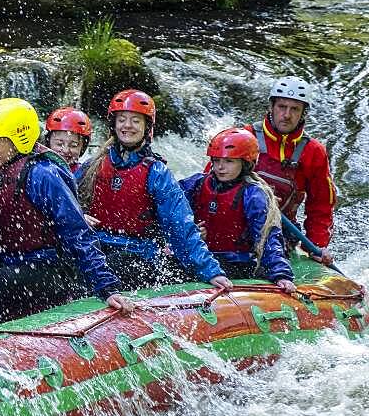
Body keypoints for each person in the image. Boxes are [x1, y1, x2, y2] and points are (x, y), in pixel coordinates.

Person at [0, 97, 134, 319]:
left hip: (51, 268)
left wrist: (107, 287)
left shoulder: (43, 175)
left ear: (18, 140)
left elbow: (78, 233)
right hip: (11, 262)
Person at [75, 89, 232, 292]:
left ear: (147, 127)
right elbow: (64, 205)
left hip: (139, 254)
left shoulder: (157, 172)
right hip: (97, 247)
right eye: (122, 119)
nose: (127, 126)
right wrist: (80, 215)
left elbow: (181, 226)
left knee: (115, 265)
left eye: (135, 121)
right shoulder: (93, 165)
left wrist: (210, 271)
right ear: (113, 125)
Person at [180, 128, 295, 292]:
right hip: (201, 256)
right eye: (217, 160)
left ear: (246, 163)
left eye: (229, 161)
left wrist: (281, 274)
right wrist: (189, 231)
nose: (220, 167)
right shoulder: (196, 183)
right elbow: (170, 212)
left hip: (237, 263)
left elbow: (268, 238)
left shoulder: (254, 195)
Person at [245, 76, 337, 266]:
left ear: (303, 113)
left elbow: (321, 206)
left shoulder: (314, 152)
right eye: (282, 107)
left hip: (281, 230)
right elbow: (208, 184)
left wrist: (317, 246)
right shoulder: (244, 137)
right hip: (238, 223)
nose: (286, 115)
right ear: (271, 107)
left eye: (294, 109)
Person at [44, 107, 93, 172]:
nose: (65, 150)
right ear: (48, 143)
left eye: (73, 145)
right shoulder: (39, 170)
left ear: (82, 148)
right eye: (59, 144)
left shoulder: (84, 174)